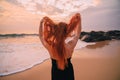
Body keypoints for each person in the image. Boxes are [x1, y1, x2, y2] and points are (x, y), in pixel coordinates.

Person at [39, 13, 81, 80]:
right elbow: (77, 34)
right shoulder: (71, 45)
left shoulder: (51, 47)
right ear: (67, 33)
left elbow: (41, 37)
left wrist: (41, 22)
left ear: (55, 32)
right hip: (68, 74)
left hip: (56, 74)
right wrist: (79, 20)